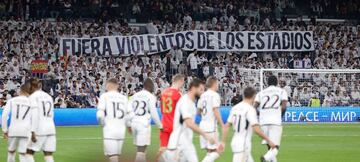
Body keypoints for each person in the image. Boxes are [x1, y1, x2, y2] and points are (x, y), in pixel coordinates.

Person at [163, 78, 215, 162]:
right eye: (201, 89)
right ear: (194, 88)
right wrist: (206, 135)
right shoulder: (185, 101)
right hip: (177, 145)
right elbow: (189, 123)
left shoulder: (191, 103)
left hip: (185, 144)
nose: (202, 92)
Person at [219, 87, 277, 162]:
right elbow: (256, 129)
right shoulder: (250, 109)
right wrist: (269, 140)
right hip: (243, 144)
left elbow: (226, 126)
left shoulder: (235, 108)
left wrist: (223, 142)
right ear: (253, 96)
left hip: (235, 141)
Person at [254, 75, 288, 162]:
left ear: (267, 83)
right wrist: (279, 116)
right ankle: (265, 158)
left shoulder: (261, 93)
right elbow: (284, 107)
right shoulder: (282, 91)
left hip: (263, 122)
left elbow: (253, 108)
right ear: (277, 82)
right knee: (275, 147)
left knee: (270, 146)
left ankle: (269, 159)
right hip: (275, 122)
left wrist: (261, 113)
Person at [128, 78, 163, 162]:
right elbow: (153, 113)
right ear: (149, 86)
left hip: (134, 123)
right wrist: (160, 126)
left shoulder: (135, 95)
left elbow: (128, 109)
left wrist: (128, 124)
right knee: (141, 151)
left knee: (139, 150)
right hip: (143, 124)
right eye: (152, 86)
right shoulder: (150, 96)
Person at [96, 78, 130, 162]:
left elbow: (100, 114)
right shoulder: (124, 98)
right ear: (117, 86)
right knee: (116, 156)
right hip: (121, 131)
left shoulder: (104, 96)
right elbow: (129, 115)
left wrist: (102, 123)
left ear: (108, 85)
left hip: (109, 130)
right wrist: (129, 126)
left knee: (112, 157)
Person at [2, 82, 37, 162]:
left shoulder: (12, 101)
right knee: (24, 154)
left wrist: (5, 130)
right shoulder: (32, 102)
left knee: (11, 152)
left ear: (20, 91)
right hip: (26, 130)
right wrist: (34, 133)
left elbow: (4, 115)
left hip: (13, 129)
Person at [156, 74, 185, 162]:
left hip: (164, 124)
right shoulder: (178, 94)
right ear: (179, 81)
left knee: (163, 149)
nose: (183, 84)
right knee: (177, 151)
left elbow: (162, 110)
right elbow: (182, 112)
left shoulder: (164, 93)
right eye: (183, 82)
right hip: (174, 126)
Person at [26, 78, 56, 162]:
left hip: (39, 128)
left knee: (28, 152)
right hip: (51, 127)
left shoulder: (32, 97)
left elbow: (35, 114)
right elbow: (52, 114)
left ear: (31, 86)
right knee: (48, 155)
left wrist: (32, 131)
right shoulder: (49, 96)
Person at [197, 76, 224, 162]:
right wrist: (222, 125)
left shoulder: (203, 95)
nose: (218, 86)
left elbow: (198, 111)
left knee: (209, 152)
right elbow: (215, 110)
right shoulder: (215, 95)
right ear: (214, 83)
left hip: (202, 125)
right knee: (218, 151)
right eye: (217, 84)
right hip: (211, 126)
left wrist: (205, 117)